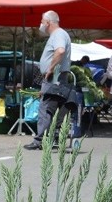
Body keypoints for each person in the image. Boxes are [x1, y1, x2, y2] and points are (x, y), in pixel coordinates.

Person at [24, 10, 75, 150]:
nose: (40, 24)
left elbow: (60, 51)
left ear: (48, 22)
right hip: (56, 77)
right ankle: (50, 138)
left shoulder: (58, 34)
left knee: (46, 108)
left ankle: (39, 140)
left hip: (55, 77)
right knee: (53, 109)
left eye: (41, 21)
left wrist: (51, 68)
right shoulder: (60, 34)